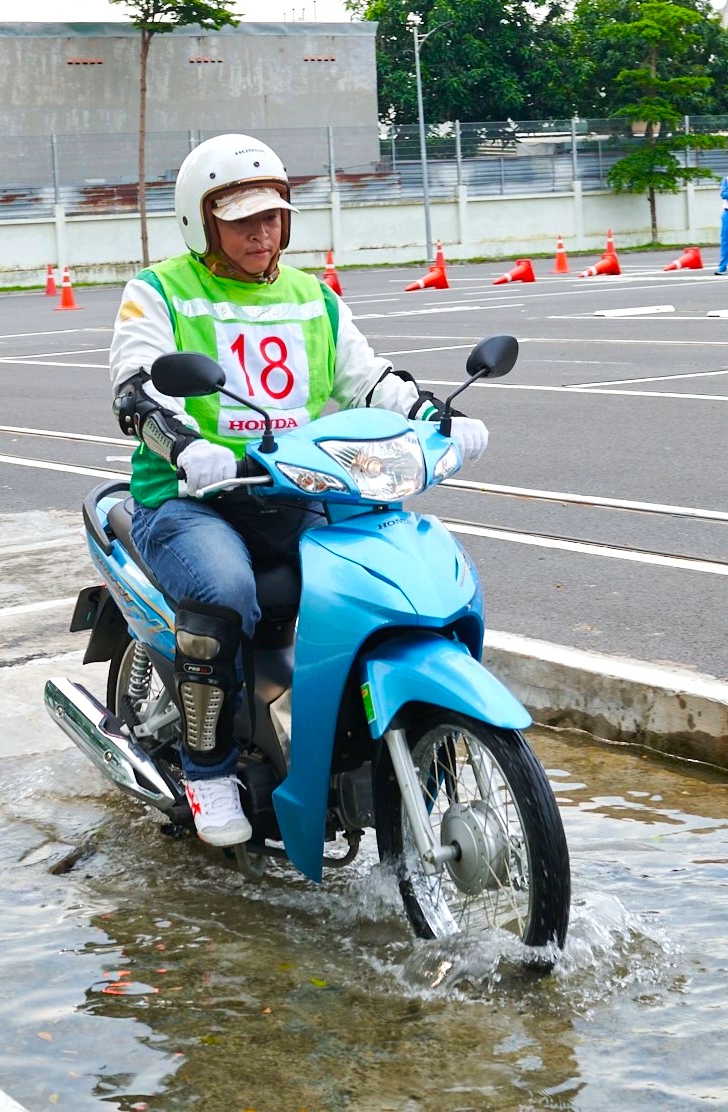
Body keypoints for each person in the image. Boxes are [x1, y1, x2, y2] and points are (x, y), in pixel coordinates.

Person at [107, 133, 490, 846]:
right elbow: (135, 393)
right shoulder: (158, 291)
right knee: (225, 594)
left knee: (390, 576)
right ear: (201, 220)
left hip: (297, 489)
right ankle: (209, 771)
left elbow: (368, 379)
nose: (262, 231)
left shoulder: (313, 296)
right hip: (191, 502)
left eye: (273, 215)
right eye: (243, 218)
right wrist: (187, 448)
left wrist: (438, 417)